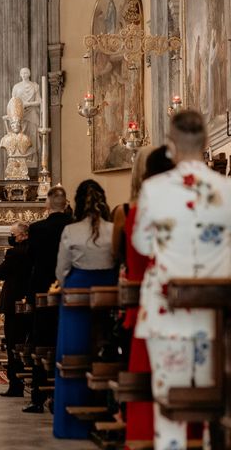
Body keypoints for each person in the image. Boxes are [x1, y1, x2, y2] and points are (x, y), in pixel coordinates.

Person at [132, 111, 231, 449]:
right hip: (215, 315)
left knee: (170, 403)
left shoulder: (154, 189)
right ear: (205, 143)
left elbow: (142, 244)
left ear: (171, 146)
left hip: (166, 310)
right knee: (210, 404)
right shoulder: (227, 189)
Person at [111, 146, 175, 444]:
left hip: (144, 309)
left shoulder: (132, 213)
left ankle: (137, 427)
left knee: (146, 382)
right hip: (187, 312)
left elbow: (120, 256)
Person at [53, 180, 117, 439]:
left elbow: (61, 271)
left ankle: (72, 424)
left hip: (77, 293)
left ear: (77, 202)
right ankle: (111, 414)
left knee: (73, 355)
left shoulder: (71, 231)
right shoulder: (114, 230)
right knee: (108, 353)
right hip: (110, 294)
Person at [22, 185, 73, 413]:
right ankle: (65, 393)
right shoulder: (74, 227)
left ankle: (37, 396)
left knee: (39, 342)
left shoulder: (37, 228)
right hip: (69, 289)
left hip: (42, 289)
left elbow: (30, 259)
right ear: (66, 204)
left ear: (47, 204)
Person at [0, 222, 32, 397]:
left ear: (23, 235)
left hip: (13, 304)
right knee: (26, 342)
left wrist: (5, 258)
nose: (11, 236)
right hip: (29, 300)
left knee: (12, 344)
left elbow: (0, 273)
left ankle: (15, 385)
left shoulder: (13, 253)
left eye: (13, 234)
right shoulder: (33, 251)